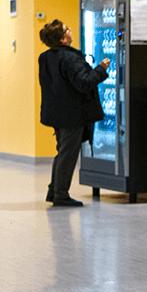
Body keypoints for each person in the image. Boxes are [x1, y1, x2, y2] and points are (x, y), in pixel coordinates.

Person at [38, 20, 110, 207]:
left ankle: (54, 190)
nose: (70, 29)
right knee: (68, 154)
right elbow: (84, 82)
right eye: (66, 29)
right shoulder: (70, 58)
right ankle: (61, 194)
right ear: (63, 39)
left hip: (55, 111)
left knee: (62, 152)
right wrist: (101, 68)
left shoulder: (45, 57)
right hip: (72, 113)